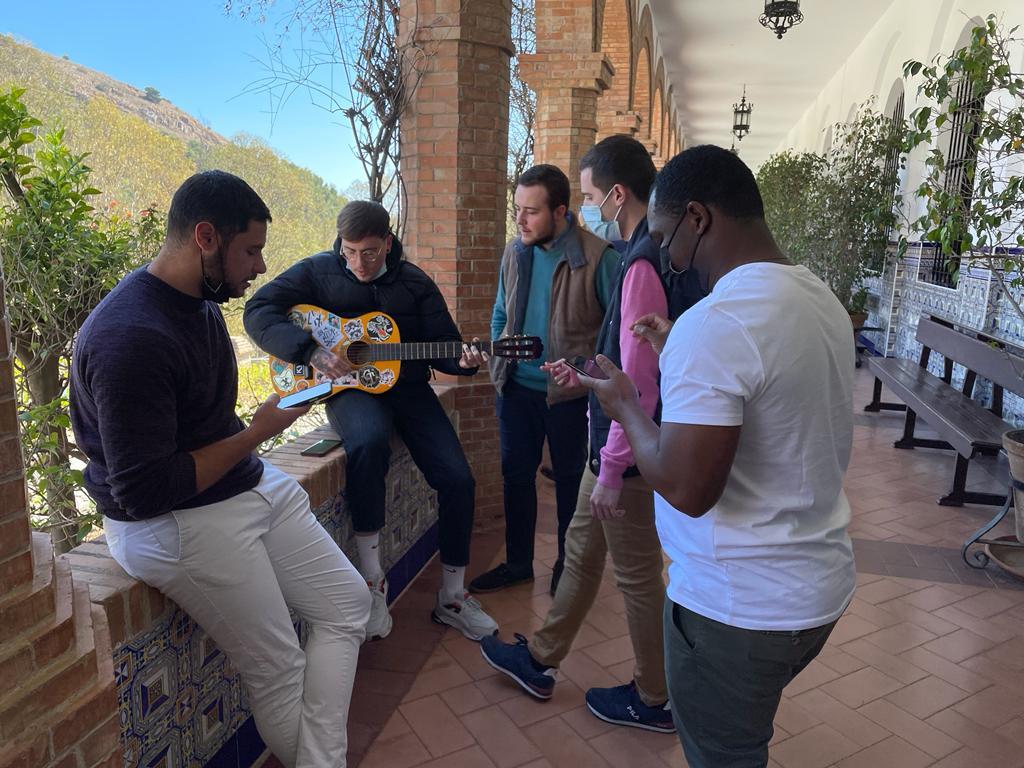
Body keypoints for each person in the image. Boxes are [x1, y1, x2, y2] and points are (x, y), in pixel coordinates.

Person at [70, 171, 371, 768]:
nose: (260, 267)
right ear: (205, 237)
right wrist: (259, 431)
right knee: (279, 667)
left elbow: (207, 426)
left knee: (347, 605)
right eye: (250, 251)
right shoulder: (129, 339)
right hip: (176, 523)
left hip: (244, 485)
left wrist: (268, 422)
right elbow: (146, 491)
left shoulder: (199, 304)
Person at [580, 145, 857, 767]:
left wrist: (625, 405)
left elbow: (686, 488)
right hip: (817, 587)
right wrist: (681, 348)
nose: (668, 258)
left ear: (698, 218)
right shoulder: (818, 298)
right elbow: (770, 392)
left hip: (737, 609)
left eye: (664, 237)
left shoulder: (717, 322)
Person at [480, 135, 676, 733]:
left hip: (622, 447)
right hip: (609, 437)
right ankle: (540, 661)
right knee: (584, 552)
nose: (592, 207)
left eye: (591, 196)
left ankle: (655, 697)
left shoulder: (634, 262)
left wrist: (614, 464)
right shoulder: (642, 252)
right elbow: (617, 355)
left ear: (615, 194)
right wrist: (584, 372)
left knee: (636, 576)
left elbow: (639, 380)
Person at [243, 200, 498, 642]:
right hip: (350, 389)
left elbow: (445, 344)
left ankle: (453, 596)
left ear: (388, 243)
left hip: (409, 389)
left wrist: (464, 361)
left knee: (458, 477)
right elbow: (258, 311)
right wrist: (310, 351)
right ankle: (373, 582)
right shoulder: (318, 271)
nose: (359, 263)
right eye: (350, 251)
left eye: (370, 252)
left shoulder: (415, 283)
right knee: (367, 442)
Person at [470, 164, 620, 596]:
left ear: (560, 211)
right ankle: (518, 563)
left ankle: (567, 567)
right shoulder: (515, 252)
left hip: (571, 398)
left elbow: (616, 337)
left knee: (571, 482)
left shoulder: (600, 258)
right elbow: (501, 312)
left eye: (531, 211)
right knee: (516, 478)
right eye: (517, 208)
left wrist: (585, 376)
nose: (519, 220)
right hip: (515, 391)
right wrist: (497, 358)